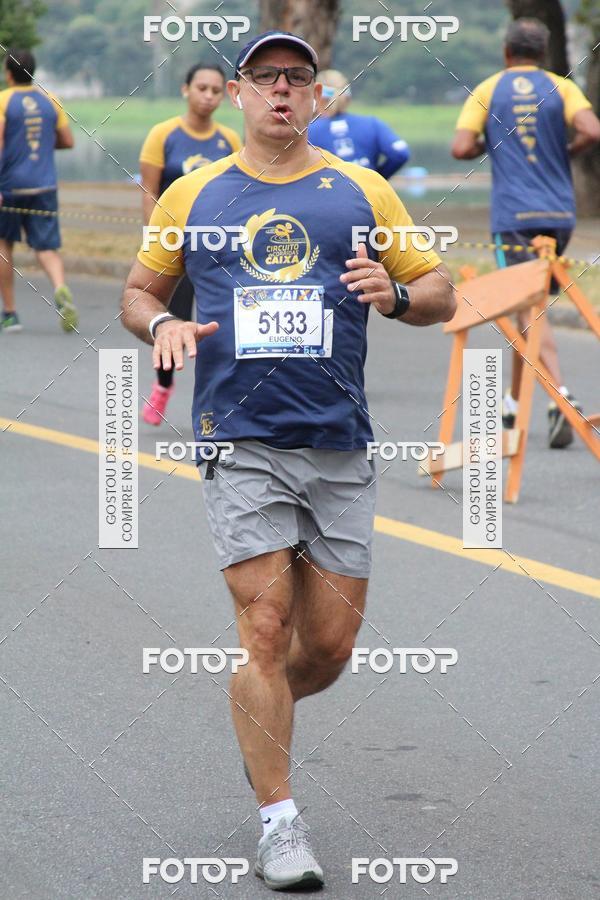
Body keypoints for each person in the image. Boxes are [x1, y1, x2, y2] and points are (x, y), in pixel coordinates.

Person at [122, 30, 455, 891]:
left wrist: (402, 294)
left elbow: (442, 292)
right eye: (266, 77)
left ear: (317, 98)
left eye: (297, 79)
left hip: (339, 442)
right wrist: (161, 325)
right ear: (238, 92)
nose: (282, 91)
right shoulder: (193, 194)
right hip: (241, 440)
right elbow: (139, 290)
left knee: (329, 649)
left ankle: (259, 714)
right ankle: (280, 822)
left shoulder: (362, 190)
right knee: (264, 631)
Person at [452, 18, 600, 448]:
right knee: (529, 308)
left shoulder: (488, 88)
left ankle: (559, 399)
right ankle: (513, 403)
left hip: (514, 217)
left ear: (506, 52)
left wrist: (492, 140)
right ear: (545, 53)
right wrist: (568, 148)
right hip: (559, 213)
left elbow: (460, 147)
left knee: (526, 308)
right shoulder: (563, 86)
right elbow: (592, 129)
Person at [139, 62, 241, 424]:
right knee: (174, 319)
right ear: (186, 90)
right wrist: (159, 237)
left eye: (216, 90)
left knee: (223, 324)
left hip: (222, 248)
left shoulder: (230, 139)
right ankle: (163, 386)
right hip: (179, 247)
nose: (208, 96)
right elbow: (150, 191)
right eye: (202, 88)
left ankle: (227, 397)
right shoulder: (164, 134)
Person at [0, 49, 77, 333]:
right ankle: (60, 289)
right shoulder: (50, 100)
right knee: (46, 247)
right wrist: (43, 145)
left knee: (4, 245)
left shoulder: (3, 100)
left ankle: (10, 314)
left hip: (10, 186)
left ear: (8, 73)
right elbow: (68, 141)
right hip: (44, 184)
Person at [308, 68, 410, 178]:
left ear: (317, 96)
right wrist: (378, 179)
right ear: (347, 96)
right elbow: (400, 154)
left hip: (327, 193)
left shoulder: (308, 132)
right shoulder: (371, 124)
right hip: (368, 193)